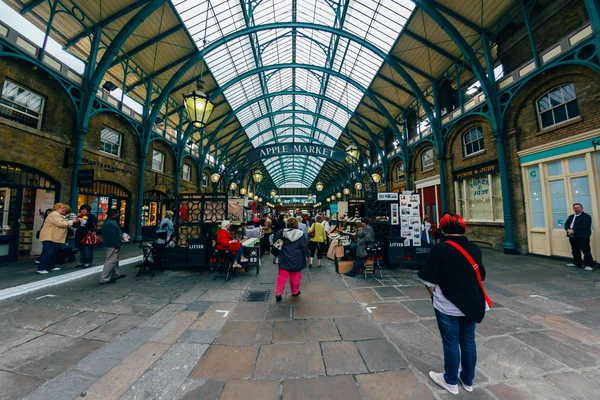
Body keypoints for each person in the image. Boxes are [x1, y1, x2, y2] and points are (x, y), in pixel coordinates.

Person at [417, 213, 491, 395]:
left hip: (447, 304)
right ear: (463, 228)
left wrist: (434, 297)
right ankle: (467, 379)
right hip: (471, 303)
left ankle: (450, 380)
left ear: (443, 229)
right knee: (468, 341)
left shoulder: (439, 249)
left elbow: (428, 279)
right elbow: (481, 275)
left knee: (450, 342)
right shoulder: (474, 248)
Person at [272, 218, 309, 302]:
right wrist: (306, 255)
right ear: (296, 224)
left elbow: (275, 243)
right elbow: (304, 246)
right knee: (295, 276)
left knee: (282, 276)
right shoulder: (300, 234)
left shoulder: (281, 232)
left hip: (284, 257)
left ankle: (278, 294)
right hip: (297, 258)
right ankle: (295, 291)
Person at [37, 203, 80, 274]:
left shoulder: (58, 215)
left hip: (54, 237)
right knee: (48, 252)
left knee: (53, 252)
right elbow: (60, 223)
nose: (64, 209)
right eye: (62, 208)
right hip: (49, 237)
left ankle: (51, 265)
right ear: (57, 208)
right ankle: (41, 268)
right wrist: (72, 221)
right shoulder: (54, 214)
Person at [99, 209, 127, 284]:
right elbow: (112, 236)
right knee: (110, 261)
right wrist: (117, 245)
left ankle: (116, 274)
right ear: (114, 214)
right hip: (112, 245)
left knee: (115, 260)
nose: (118, 215)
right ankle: (104, 278)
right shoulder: (110, 223)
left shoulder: (109, 222)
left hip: (111, 244)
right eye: (117, 214)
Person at [564, 203, 594, 271]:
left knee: (586, 251)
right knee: (575, 250)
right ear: (573, 209)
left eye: (578, 207)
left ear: (582, 208)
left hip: (582, 236)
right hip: (572, 236)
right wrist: (568, 229)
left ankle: (589, 265)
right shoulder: (571, 216)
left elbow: (584, 226)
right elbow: (566, 224)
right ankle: (577, 263)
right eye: (575, 208)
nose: (577, 209)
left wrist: (574, 230)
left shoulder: (586, 216)